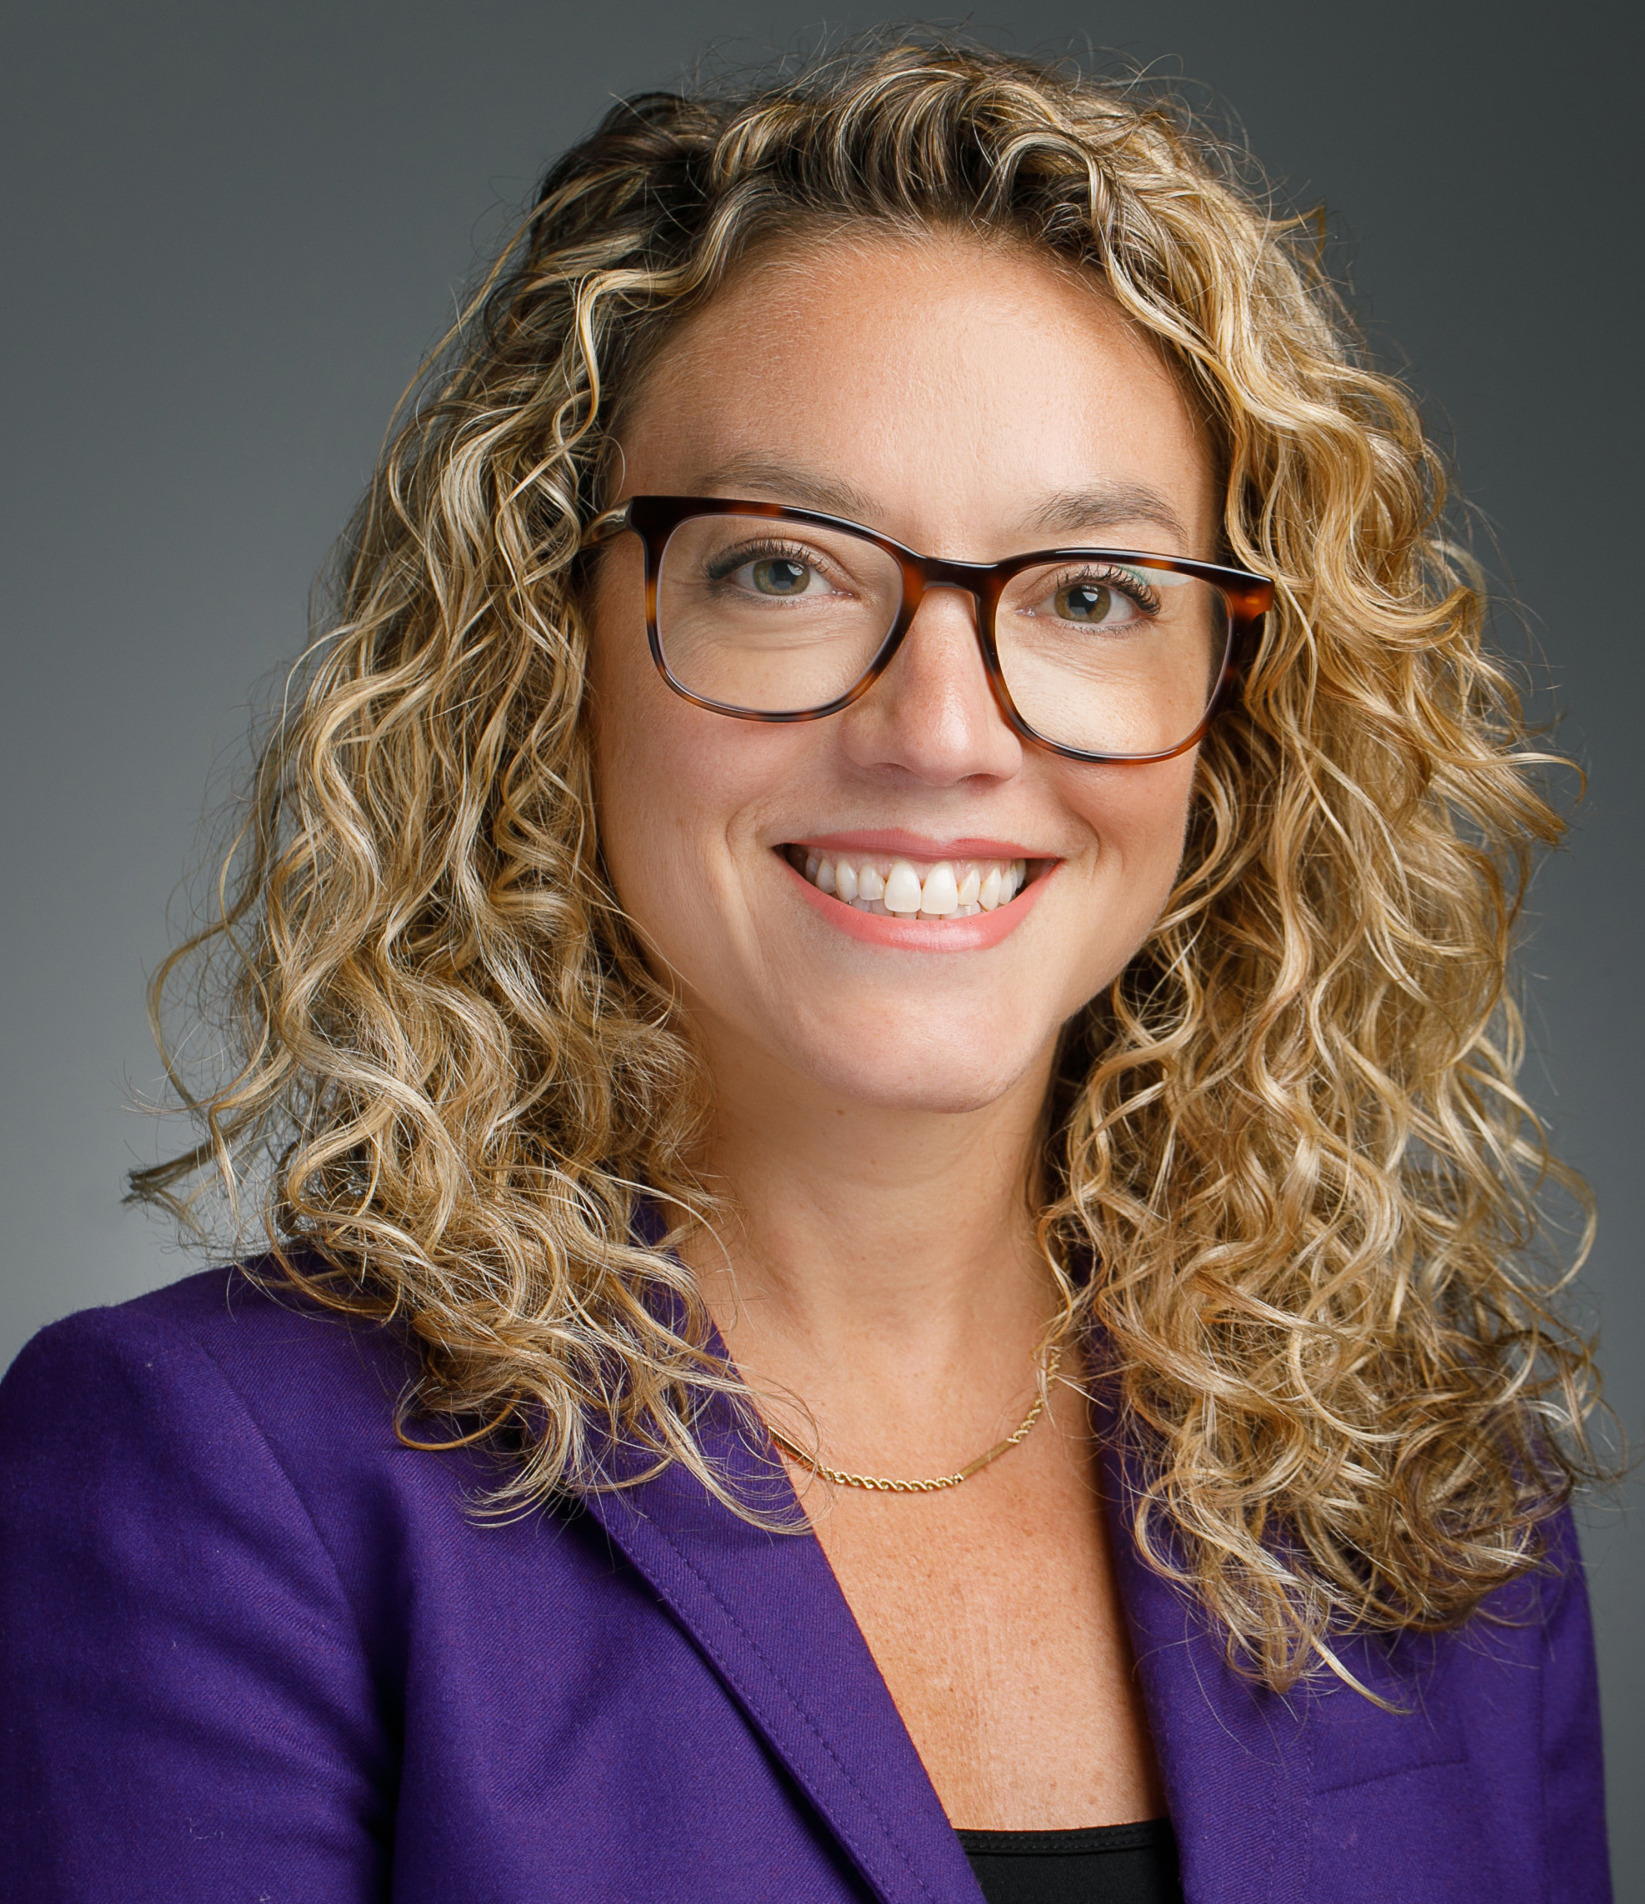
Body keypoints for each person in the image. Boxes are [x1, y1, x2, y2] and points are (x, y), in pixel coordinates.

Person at [0, 37, 1611, 1904]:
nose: (940, 733)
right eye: (781, 569)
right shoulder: (215, 1484)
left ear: (1235, 719)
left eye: (1089, 593)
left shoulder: (1435, 1512)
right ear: (551, 653)